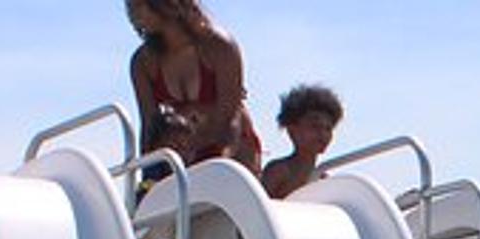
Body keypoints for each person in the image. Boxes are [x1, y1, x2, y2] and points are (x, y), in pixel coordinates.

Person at [127, 0, 262, 171]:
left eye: (139, 4)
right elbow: (150, 127)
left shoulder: (219, 46)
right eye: (129, 6)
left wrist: (219, 165)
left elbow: (230, 120)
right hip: (180, 157)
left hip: (230, 148)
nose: (133, 14)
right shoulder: (143, 63)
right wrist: (147, 175)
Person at [261, 83, 343, 200]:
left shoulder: (323, 179)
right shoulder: (279, 171)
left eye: (328, 129)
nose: (323, 134)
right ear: (292, 131)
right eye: (315, 126)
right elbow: (255, 206)